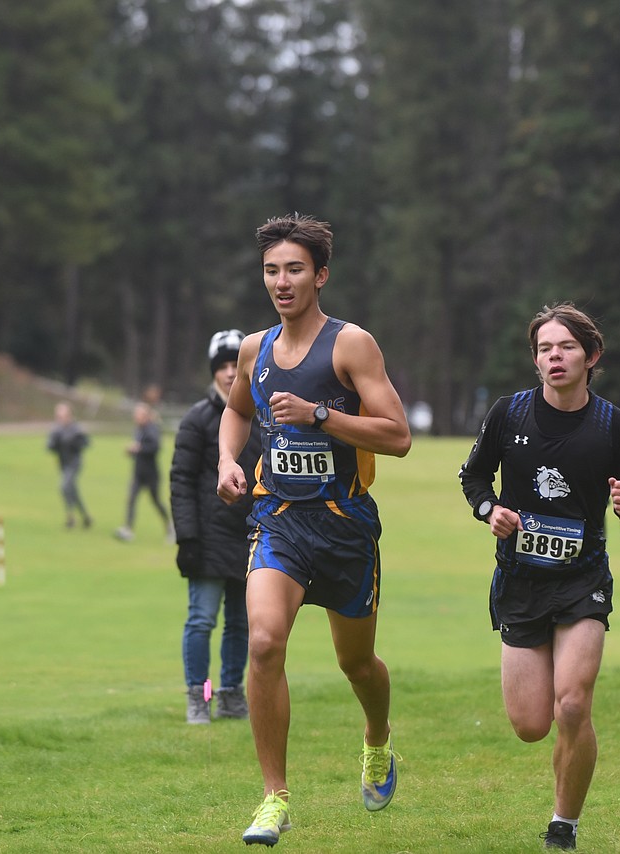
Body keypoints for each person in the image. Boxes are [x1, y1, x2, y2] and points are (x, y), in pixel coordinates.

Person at [216, 214, 412, 846]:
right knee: (265, 642)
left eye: (294, 269)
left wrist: (320, 415)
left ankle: (378, 740)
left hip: (346, 525)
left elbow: (398, 436)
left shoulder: (352, 344)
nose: (282, 281)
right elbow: (236, 411)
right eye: (272, 270)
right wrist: (227, 460)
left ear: (321, 274)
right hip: (278, 520)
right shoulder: (254, 349)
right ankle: (275, 797)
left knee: (356, 665)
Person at [458, 302, 620, 850]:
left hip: (582, 581)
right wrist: (489, 511)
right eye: (545, 349)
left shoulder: (614, 424)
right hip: (520, 582)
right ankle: (564, 777)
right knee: (530, 724)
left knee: (573, 704)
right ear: (535, 359)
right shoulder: (508, 414)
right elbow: (473, 477)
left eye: (566, 347)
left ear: (590, 357)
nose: (554, 357)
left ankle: (563, 824)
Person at [170, 329, 261, 725]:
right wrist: (187, 537)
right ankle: (199, 695)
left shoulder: (262, 415)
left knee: (242, 624)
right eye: (221, 366)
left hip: (252, 537)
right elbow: (181, 481)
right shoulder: (198, 419)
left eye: (234, 365)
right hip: (207, 539)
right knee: (203, 619)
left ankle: (230, 693)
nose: (228, 373)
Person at [115, 401, 172, 542]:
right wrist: (132, 451)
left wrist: (138, 449)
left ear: (145, 416)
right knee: (131, 499)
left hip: (151, 474)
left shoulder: (152, 429)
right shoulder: (138, 429)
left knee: (156, 502)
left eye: (138, 415)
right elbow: (139, 448)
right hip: (138, 472)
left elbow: (155, 447)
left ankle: (170, 526)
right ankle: (128, 529)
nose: (135, 417)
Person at [46, 402, 92, 529]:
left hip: (74, 463)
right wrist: (53, 444)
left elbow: (86, 443)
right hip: (63, 464)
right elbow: (50, 446)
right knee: (72, 490)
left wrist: (74, 442)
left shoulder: (76, 428)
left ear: (68, 415)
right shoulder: (57, 429)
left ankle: (70, 517)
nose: (59, 418)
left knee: (64, 486)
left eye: (61, 415)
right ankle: (86, 516)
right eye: (57, 416)